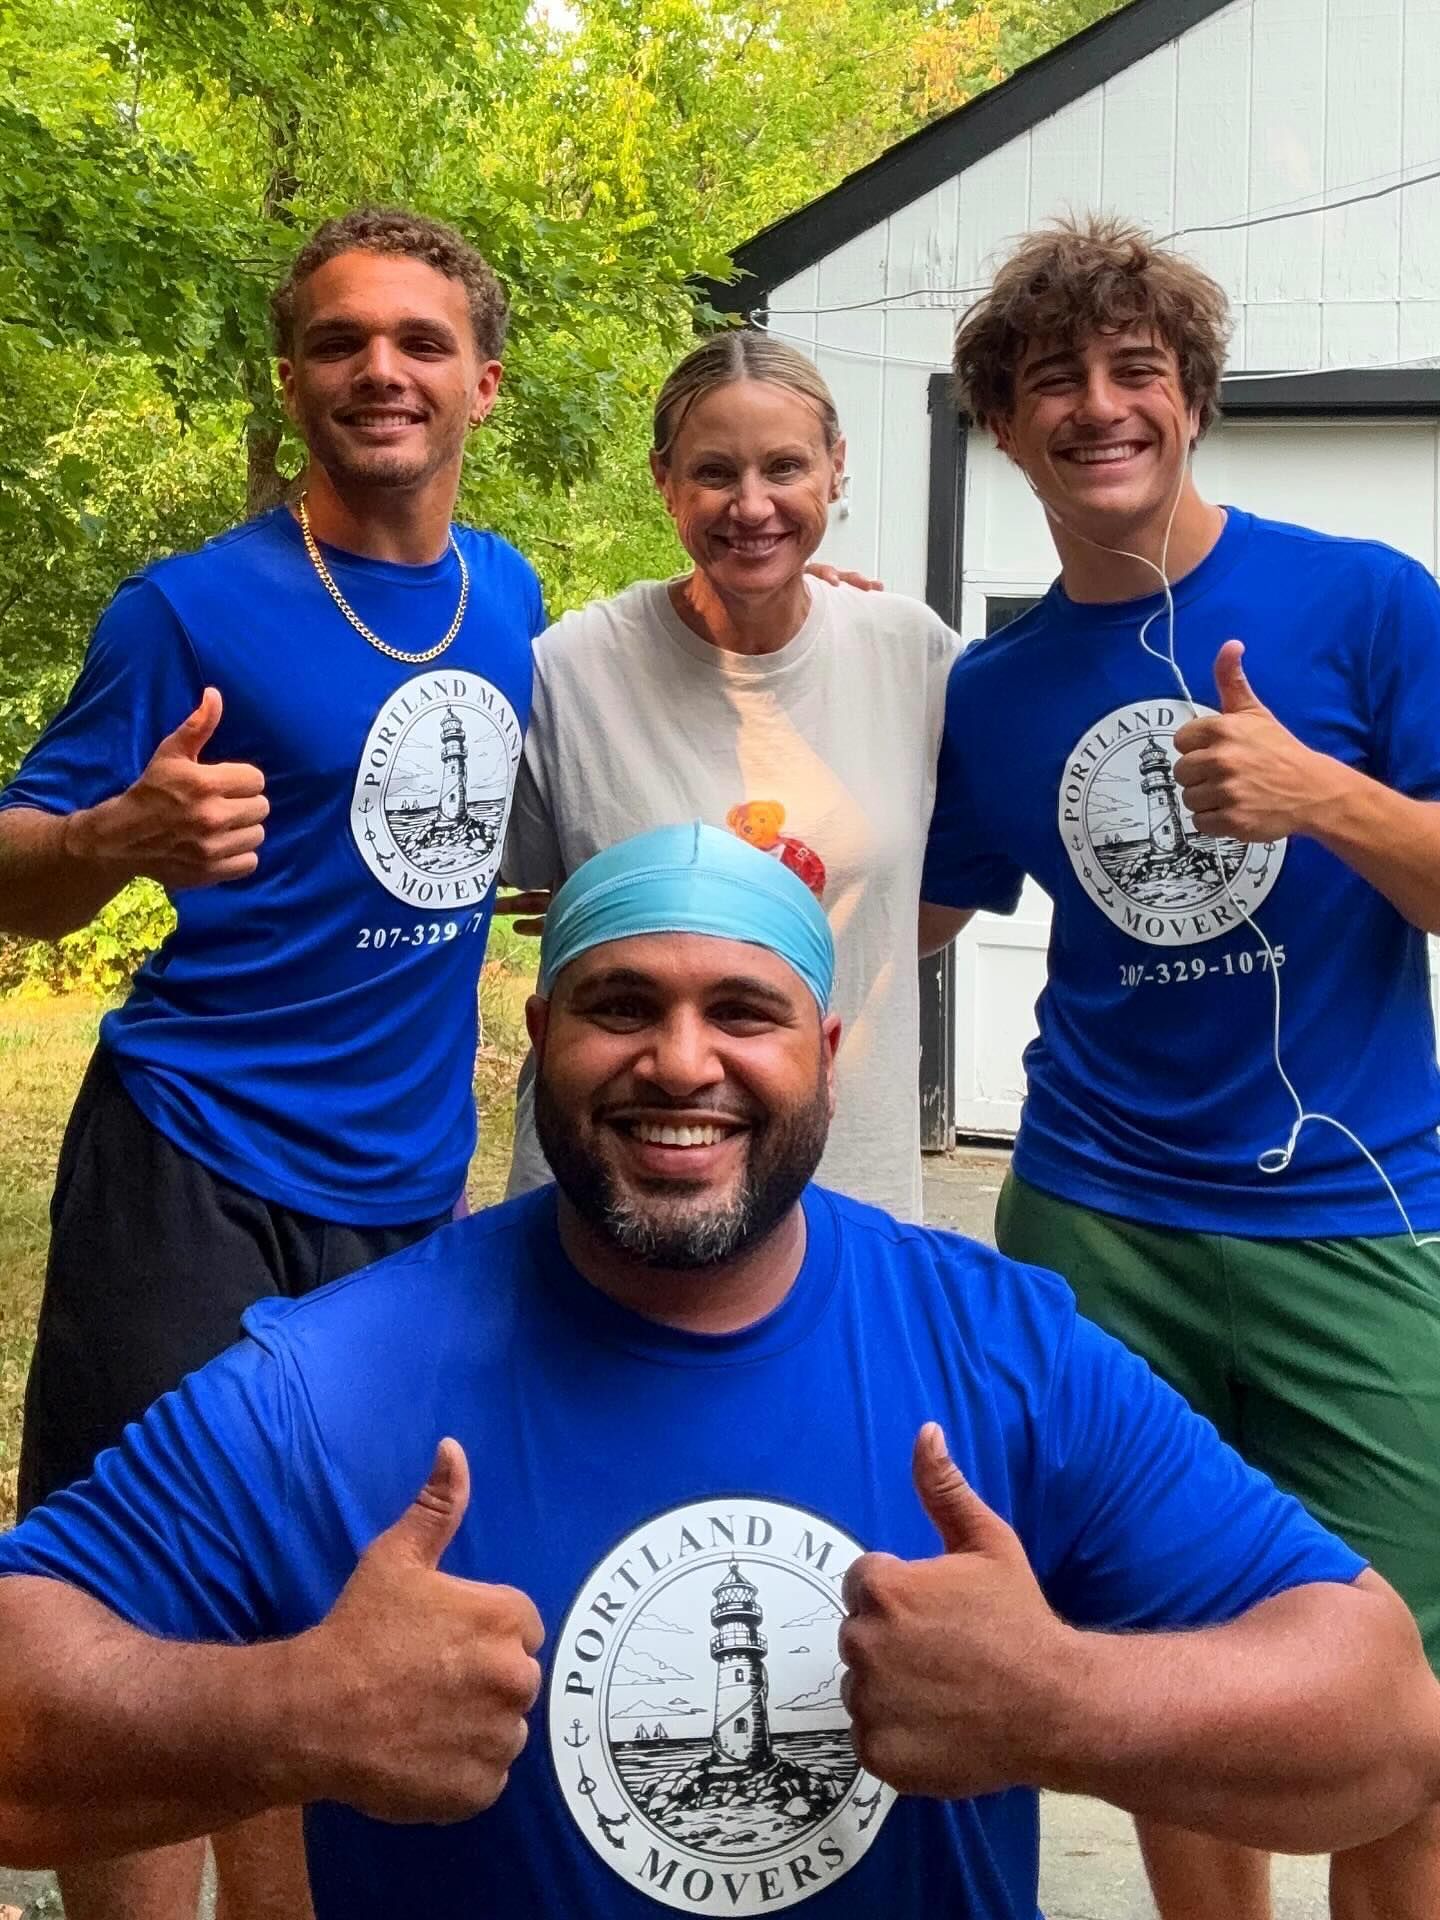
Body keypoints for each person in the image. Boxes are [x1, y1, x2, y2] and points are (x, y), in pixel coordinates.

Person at [1, 821, 1436, 1920]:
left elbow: (1382, 1724)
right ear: (542, 1034)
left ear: (824, 1048)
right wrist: (292, 1714)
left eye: (743, 1014)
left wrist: (1065, 1703)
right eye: (621, 1006)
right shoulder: (337, 1379)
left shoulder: (1002, 1351)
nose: (680, 1062)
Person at [0, 208, 543, 1919]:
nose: (378, 369)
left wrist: (775, 583)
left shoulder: (515, 593)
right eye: (335, 341)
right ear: (293, 378)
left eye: (417, 341)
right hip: (193, 1166)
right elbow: (17, 872)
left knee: (339, 1622)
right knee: (128, 1626)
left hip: (402, 1203)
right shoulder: (189, 609)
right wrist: (114, 832)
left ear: (482, 383)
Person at [920, 213, 1440, 1920]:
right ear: (1006, 427)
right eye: (1052, 381)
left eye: (1134, 370)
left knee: (1410, 1713)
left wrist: (1322, 798)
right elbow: (898, 912)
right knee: (1163, 1685)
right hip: (1098, 1227)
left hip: (1357, 1220)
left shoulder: (1361, 601)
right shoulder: (993, 691)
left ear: (1191, 397)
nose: (1097, 406)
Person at [501, 329, 959, 1221]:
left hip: (846, 1173)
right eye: (715, 473)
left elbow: (924, 909)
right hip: (611, 1174)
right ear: (664, 483)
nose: (752, 505)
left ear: (836, 467)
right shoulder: (573, 670)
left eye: (784, 467)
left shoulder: (914, 656)